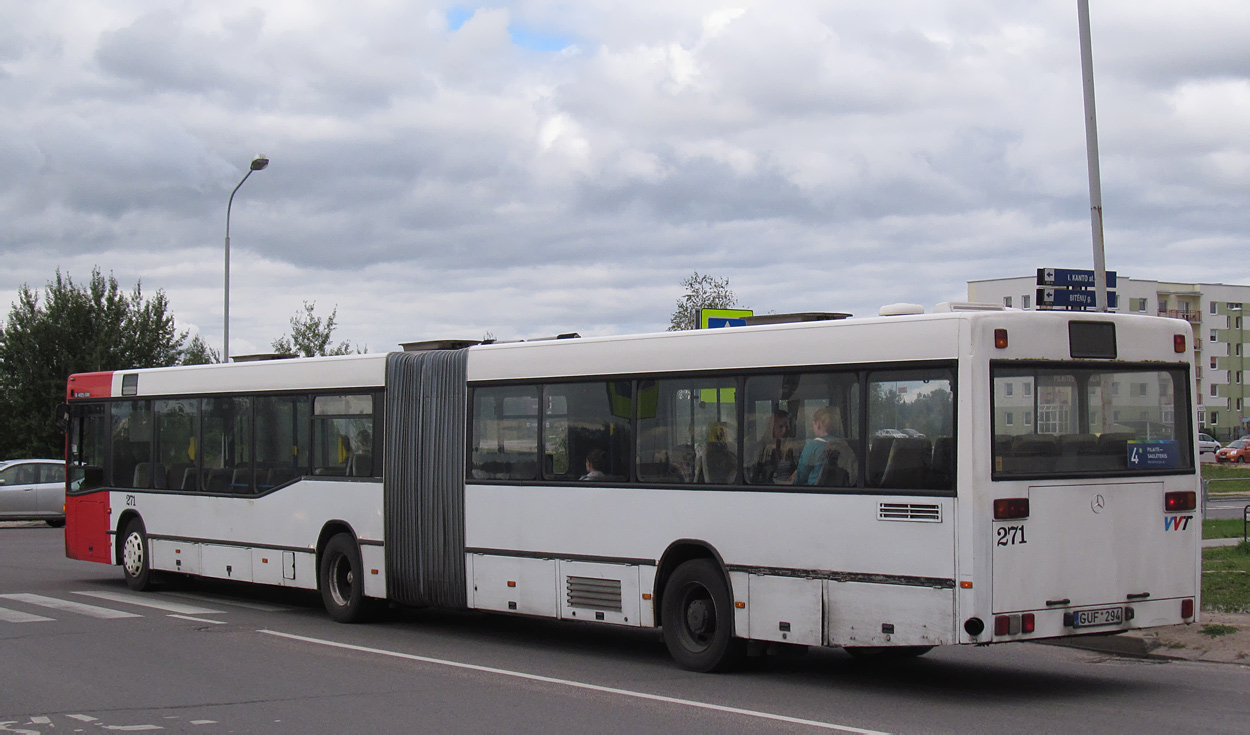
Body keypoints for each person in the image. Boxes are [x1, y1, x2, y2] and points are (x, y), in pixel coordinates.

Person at [793, 406, 854, 486]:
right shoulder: (844, 445)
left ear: (817, 424)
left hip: (816, 492)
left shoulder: (812, 446)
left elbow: (801, 476)